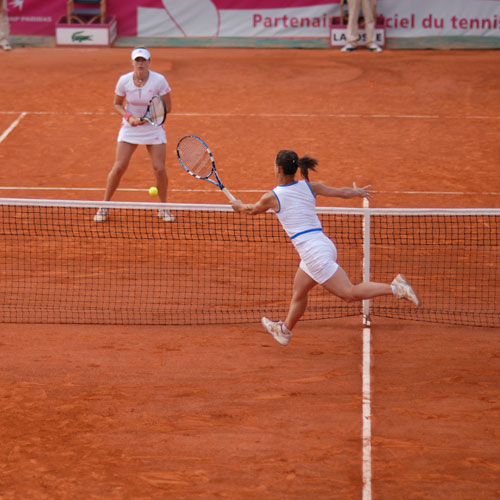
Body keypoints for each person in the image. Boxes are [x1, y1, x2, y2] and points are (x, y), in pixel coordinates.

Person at [231, 150, 420, 347]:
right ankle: (285, 331)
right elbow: (342, 192)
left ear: (278, 169)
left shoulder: (272, 197)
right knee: (299, 292)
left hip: (314, 254)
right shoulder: (310, 186)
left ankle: (396, 288)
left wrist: (238, 205)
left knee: (349, 293)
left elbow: (250, 210)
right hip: (323, 245)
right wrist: (357, 192)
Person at [94, 47, 174, 222]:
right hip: (130, 128)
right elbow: (117, 104)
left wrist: (148, 118)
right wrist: (129, 117)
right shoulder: (124, 81)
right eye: (137, 60)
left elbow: (168, 107)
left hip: (153, 126)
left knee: (159, 168)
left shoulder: (159, 80)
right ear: (132, 62)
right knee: (119, 167)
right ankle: (104, 206)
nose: (140, 63)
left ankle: (163, 208)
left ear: (149, 62)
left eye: (143, 60)